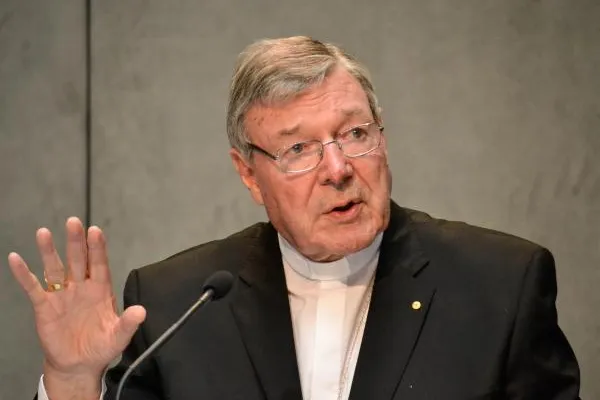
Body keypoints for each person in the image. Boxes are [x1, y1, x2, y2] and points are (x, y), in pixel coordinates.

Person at [9, 36, 580, 400]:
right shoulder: (176, 304)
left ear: (382, 136)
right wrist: (72, 382)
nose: (338, 168)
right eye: (298, 149)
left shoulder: (499, 284)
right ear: (248, 173)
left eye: (355, 134)